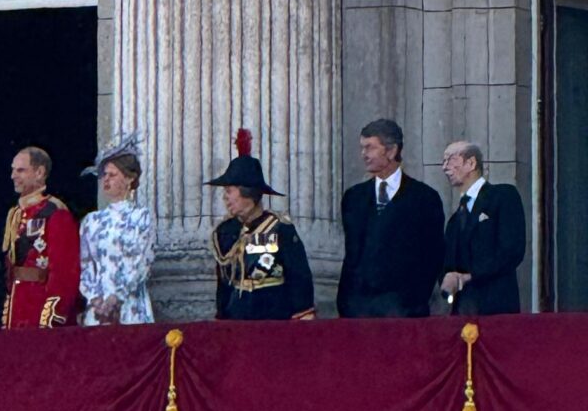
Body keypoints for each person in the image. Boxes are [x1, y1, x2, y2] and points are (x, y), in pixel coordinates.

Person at [338, 116, 444, 318]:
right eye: (362, 148)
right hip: (357, 311)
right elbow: (352, 255)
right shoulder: (354, 198)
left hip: (404, 311)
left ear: (392, 150)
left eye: (370, 147)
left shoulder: (424, 198)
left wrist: (414, 299)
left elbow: (433, 254)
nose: (364, 155)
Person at [210, 139, 315, 320]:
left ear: (247, 192)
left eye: (229, 191)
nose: (225, 198)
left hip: (273, 316)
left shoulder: (280, 228)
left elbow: (299, 277)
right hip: (237, 316)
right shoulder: (225, 231)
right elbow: (224, 283)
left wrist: (302, 317)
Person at [441, 140, 527, 315]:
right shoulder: (454, 220)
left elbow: (511, 250)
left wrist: (469, 276)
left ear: (471, 163)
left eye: (450, 160)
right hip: (462, 310)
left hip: (496, 307)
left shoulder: (502, 196)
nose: (445, 167)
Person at [79, 134, 155, 326]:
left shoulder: (141, 217)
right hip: (98, 309)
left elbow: (142, 263)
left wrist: (117, 297)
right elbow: (86, 265)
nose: (106, 180)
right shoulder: (92, 221)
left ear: (129, 178)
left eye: (112, 175)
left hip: (129, 304)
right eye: (104, 174)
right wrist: (95, 298)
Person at [1, 146, 81, 328]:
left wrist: (53, 312)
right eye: (13, 170)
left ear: (39, 173)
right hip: (17, 306)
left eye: (20, 170)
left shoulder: (55, 212)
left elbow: (65, 270)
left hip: (40, 308)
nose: (13, 176)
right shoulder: (15, 214)